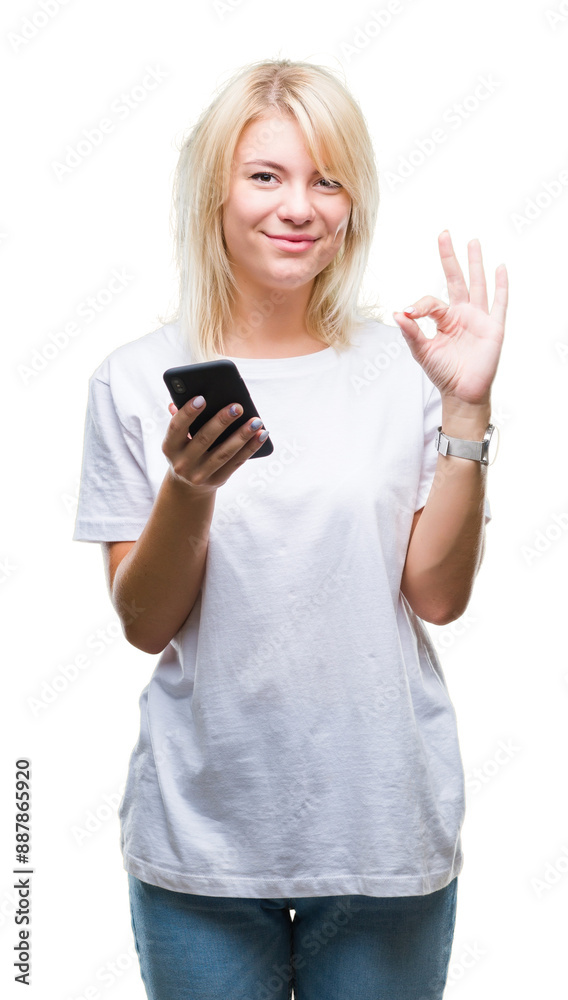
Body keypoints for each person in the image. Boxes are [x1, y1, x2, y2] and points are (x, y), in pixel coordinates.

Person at [72, 57, 508, 1000]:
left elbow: (438, 596)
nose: (299, 207)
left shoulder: (407, 367)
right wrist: (189, 488)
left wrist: (467, 412)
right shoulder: (133, 377)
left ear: (354, 202)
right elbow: (144, 623)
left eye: (328, 180)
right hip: (202, 840)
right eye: (266, 175)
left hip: (382, 826)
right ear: (215, 192)